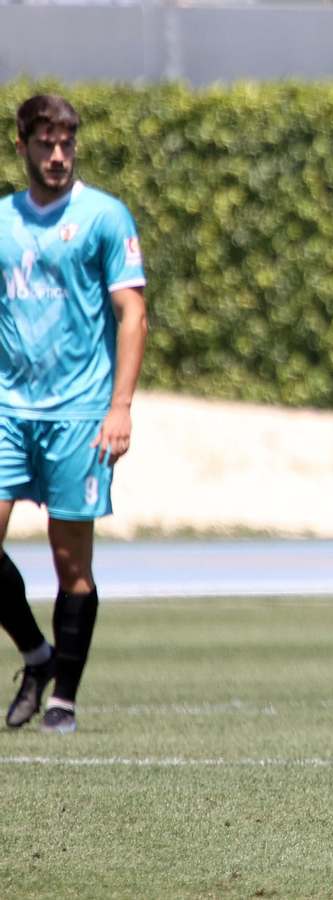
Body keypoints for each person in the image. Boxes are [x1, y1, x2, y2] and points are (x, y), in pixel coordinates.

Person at [0, 94, 149, 733]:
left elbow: (132, 313)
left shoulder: (105, 217)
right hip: (8, 409)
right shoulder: (2, 220)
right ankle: (36, 654)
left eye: (66, 143)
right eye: (44, 143)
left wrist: (120, 406)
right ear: (22, 146)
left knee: (70, 562)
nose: (56, 155)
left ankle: (63, 694)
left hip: (81, 412)